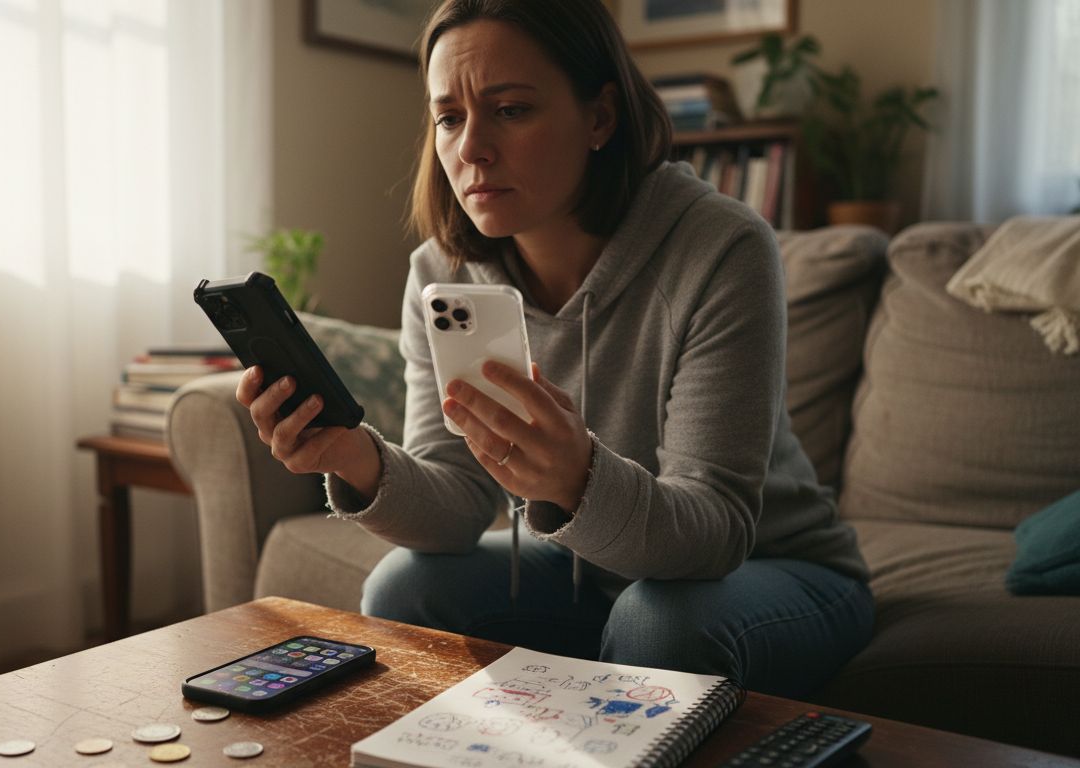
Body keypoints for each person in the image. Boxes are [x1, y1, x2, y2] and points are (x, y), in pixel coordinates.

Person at [237, 0, 873, 698]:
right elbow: (457, 509)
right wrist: (356, 460)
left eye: (509, 109)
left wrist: (577, 478)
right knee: (405, 586)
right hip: (581, 570)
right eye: (449, 117)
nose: (471, 147)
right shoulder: (439, 273)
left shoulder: (722, 249)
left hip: (769, 568)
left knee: (658, 623)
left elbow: (717, 530)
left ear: (600, 117)